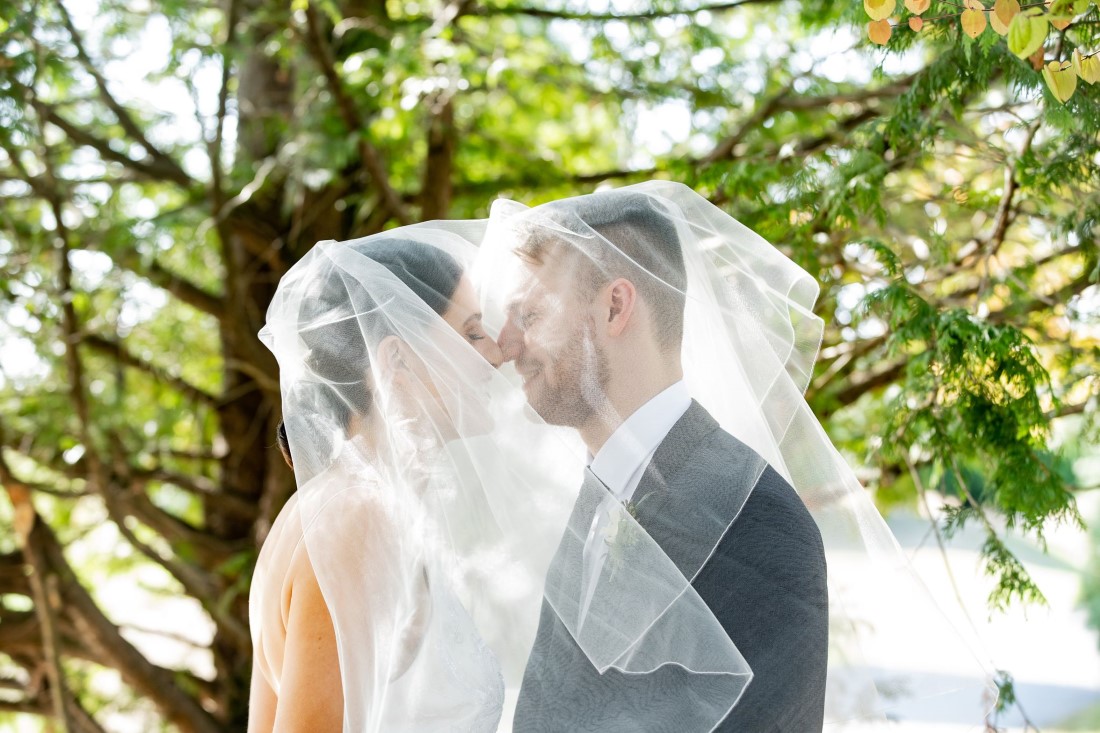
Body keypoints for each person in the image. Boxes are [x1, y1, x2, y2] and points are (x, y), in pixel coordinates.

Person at [479, 181, 995, 731]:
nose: (504, 344)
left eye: (530, 316)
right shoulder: (592, 499)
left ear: (614, 307)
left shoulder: (759, 518)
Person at [248, 231, 509, 732]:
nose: (496, 354)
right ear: (396, 361)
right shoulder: (358, 515)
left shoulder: (341, 503)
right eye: (472, 333)